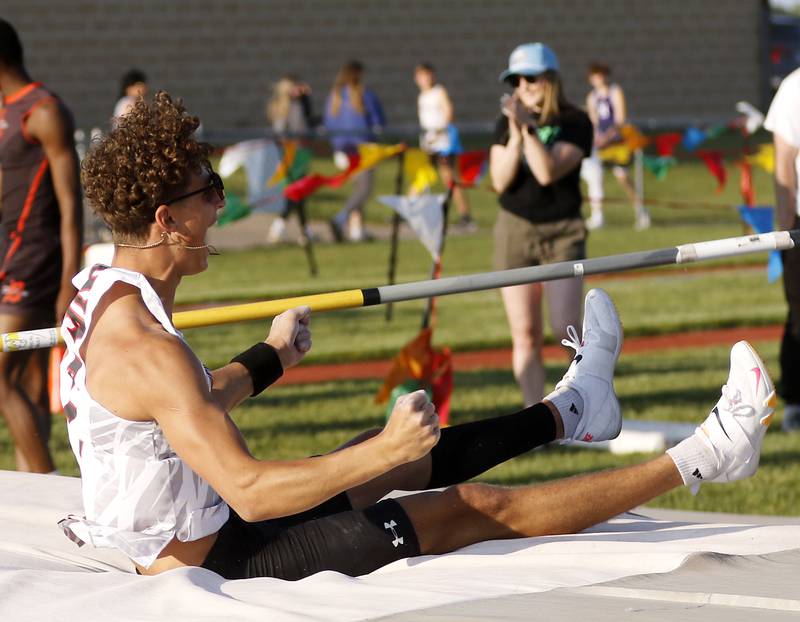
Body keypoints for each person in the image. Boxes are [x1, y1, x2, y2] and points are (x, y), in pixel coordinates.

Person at [58, 91, 776, 581]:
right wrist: (383, 448)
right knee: (466, 508)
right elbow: (249, 491)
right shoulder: (144, 343)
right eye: (207, 192)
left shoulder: (105, 291)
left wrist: (270, 357)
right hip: (221, 556)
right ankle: (713, 451)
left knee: (395, 461)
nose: (219, 203)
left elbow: (181, 410)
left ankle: (575, 408)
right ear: (164, 220)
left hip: (196, 529)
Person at [0, 19, 82, 473]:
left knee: (2, 379)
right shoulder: (7, 109)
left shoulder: (43, 111)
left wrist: (68, 280)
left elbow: (71, 207)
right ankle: (30, 487)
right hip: (8, 254)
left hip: (34, 259)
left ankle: (48, 486)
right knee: (29, 384)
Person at [490, 42, 592, 407]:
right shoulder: (507, 124)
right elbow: (500, 181)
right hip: (516, 228)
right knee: (525, 333)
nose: (523, 86)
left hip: (563, 230)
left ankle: (580, 407)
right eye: (516, 80)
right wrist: (516, 134)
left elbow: (548, 172)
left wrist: (530, 129)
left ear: (549, 80)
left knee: (566, 331)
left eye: (530, 78)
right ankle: (533, 415)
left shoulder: (575, 121)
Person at [765, 66, 800, 432]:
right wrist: (787, 221)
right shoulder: (794, 88)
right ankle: (796, 401)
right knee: (799, 313)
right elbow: (785, 159)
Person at [580, 62, 650, 231]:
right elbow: (594, 121)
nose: (599, 79)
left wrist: (608, 137)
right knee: (594, 177)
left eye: (601, 75)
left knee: (623, 177)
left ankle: (641, 211)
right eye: (595, 76)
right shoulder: (592, 97)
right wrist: (596, 138)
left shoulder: (615, 92)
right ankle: (597, 216)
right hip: (600, 145)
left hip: (617, 143)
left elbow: (620, 119)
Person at [324, 60, 385, 242]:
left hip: (342, 150)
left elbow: (329, 123)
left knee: (358, 188)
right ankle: (340, 219)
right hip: (362, 149)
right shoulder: (363, 95)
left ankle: (357, 231)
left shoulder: (335, 97)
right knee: (364, 190)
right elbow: (378, 122)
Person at [414, 63, 475, 231]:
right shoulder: (422, 96)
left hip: (442, 141)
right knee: (422, 175)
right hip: (428, 140)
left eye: (428, 75)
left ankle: (465, 215)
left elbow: (448, 112)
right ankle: (413, 210)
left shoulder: (439, 92)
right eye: (421, 76)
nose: (425, 79)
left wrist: (439, 132)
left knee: (449, 178)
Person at [266, 75, 315, 244]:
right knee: (296, 191)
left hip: (298, 153)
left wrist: (306, 98)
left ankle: (305, 231)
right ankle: (280, 227)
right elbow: (294, 129)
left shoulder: (297, 104)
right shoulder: (286, 107)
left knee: (300, 191)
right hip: (292, 154)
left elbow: (308, 118)